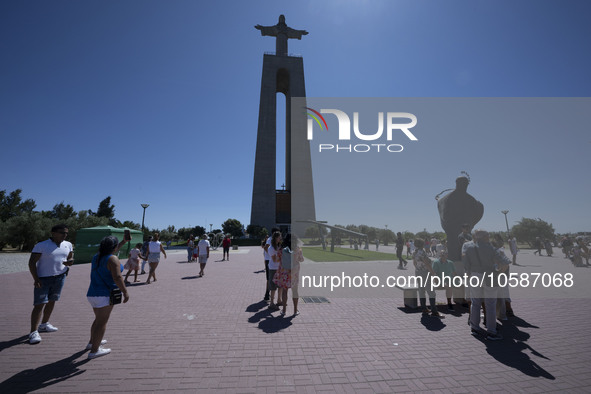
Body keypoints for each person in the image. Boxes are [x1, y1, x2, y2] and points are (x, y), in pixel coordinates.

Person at [28, 224, 74, 344]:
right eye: (62, 232)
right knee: (39, 304)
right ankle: (33, 332)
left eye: (66, 233)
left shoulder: (68, 244)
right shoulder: (42, 245)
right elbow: (32, 263)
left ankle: (44, 324)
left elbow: (70, 256)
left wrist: (69, 263)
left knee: (52, 301)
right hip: (43, 279)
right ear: (53, 233)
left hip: (60, 277)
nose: (65, 235)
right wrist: (36, 278)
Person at [462, 230, 511, 341]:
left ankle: (474, 327)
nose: (489, 236)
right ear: (484, 237)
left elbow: (465, 264)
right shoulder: (491, 248)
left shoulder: (469, 248)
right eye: (488, 235)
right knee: (490, 305)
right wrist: (499, 272)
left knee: (475, 302)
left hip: (474, 276)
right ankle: (491, 332)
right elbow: (506, 262)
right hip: (489, 276)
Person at [86, 236, 129, 359]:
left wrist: (123, 242)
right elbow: (117, 277)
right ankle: (95, 350)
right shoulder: (112, 259)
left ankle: (91, 342)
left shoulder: (97, 257)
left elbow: (111, 252)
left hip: (93, 293)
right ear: (114, 247)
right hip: (105, 294)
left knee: (97, 320)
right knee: (102, 323)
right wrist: (125, 292)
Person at [413, 239, 441, 317]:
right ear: (423, 244)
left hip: (418, 272)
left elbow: (414, 263)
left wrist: (418, 268)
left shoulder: (414, 252)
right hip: (425, 273)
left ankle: (424, 308)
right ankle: (434, 311)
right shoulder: (422, 252)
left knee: (421, 290)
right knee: (431, 291)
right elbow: (427, 264)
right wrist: (434, 274)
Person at [267, 231, 283, 311]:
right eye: (279, 237)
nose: (280, 238)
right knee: (273, 286)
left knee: (280, 285)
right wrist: (282, 257)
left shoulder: (279, 246)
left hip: (279, 268)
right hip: (273, 268)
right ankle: (271, 303)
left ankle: (279, 300)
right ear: (276, 238)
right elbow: (274, 260)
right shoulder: (271, 248)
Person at [262, 227, 279, 301]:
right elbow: (265, 247)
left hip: (269, 260)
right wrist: (270, 254)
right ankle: (267, 294)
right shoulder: (270, 239)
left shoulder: (271, 239)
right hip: (269, 260)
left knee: (270, 278)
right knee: (269, 278)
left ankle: (268, 294)